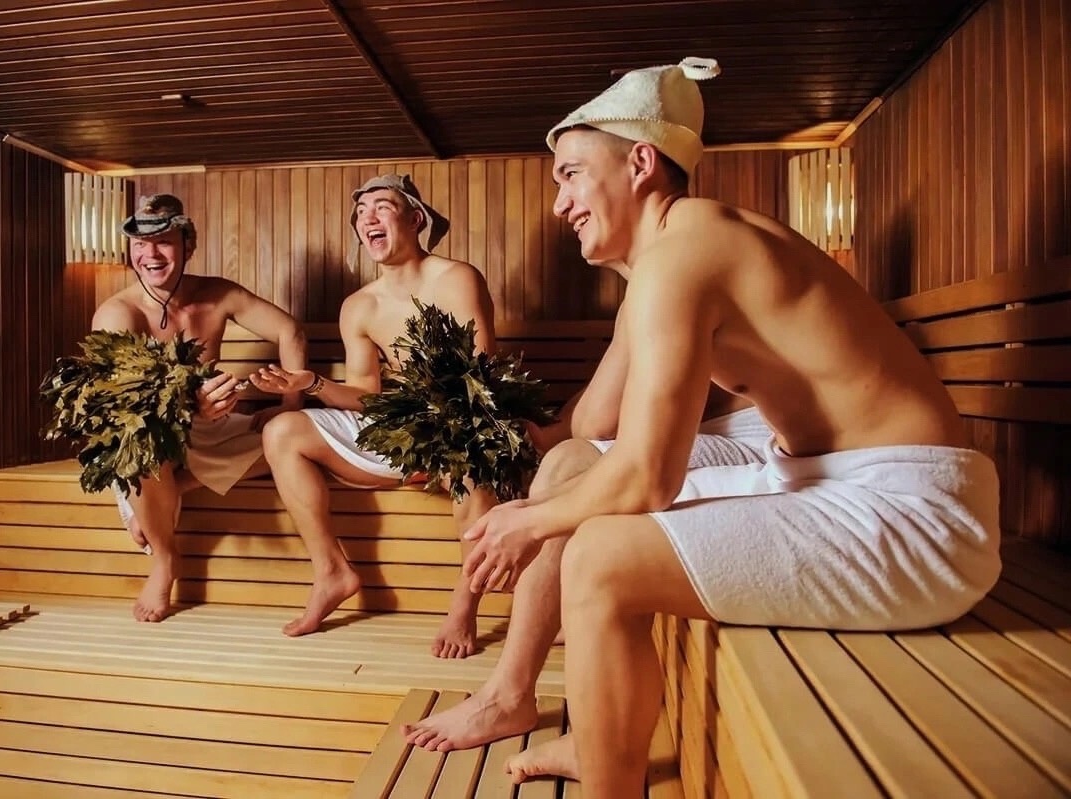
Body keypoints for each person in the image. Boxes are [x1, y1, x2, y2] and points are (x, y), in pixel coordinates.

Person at [410, 57, 1003, 798]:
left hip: (914, 515)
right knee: (575, 478)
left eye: (570, 175)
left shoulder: (687, 253)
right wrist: (532, 490)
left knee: (600, 554)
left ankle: (608, 782)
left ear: (640, 164)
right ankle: (563, 720)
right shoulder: (676, 251)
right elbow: (594, 431)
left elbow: (647, 479)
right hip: (827, 481)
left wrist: (524, 522)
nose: (559, 203)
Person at [250, 174, 498, 658]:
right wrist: (311, 384)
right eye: (361, 213)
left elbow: (481, 371)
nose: (368, 218)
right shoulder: (359, 306)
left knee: (472, 452)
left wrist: (436, 418)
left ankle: (464, 607)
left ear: (416, 219)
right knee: (283, 430)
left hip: (463, 418)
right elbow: (366, 395)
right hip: (401, 429)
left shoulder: (456, 279)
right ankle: (331, 572)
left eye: (382, 207)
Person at [93, 194, 306, 623]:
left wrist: (289, 403)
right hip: (145, 434)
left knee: (297, 440)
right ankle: (165, 559)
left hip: (210, 427)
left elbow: (290, 330)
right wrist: (191, 407)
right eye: (140, 244)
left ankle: (175, 488)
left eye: (163, 242)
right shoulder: (119, 313)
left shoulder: (217, 294)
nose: (150, 255)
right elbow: (125, 410)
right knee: (141, 454)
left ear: (188, 245)